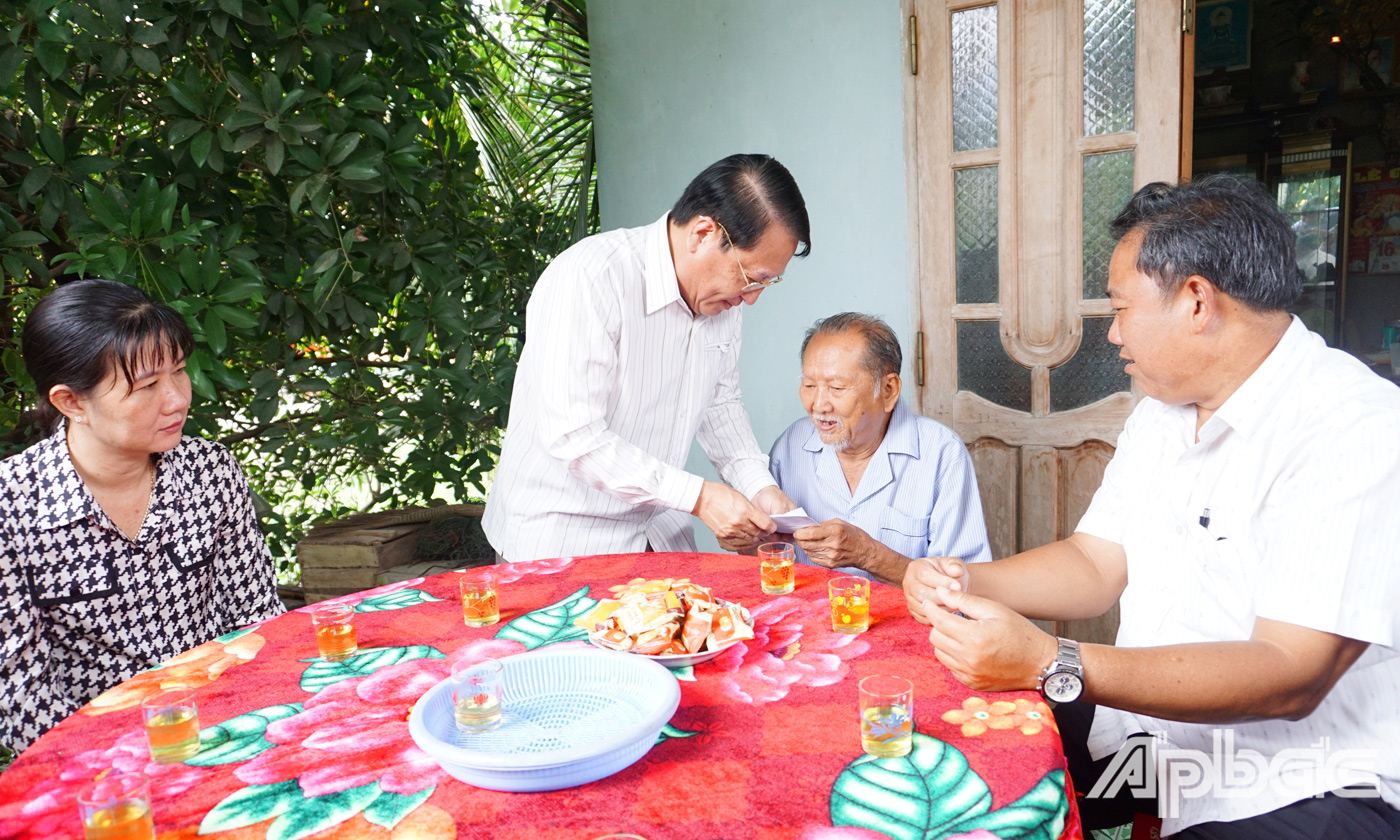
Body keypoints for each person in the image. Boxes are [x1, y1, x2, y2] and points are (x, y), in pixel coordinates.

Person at [904, 175, 1400, 839]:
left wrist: (1054, 662)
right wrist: (960, 578)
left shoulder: (1353, 426)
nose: (1112, 335)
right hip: (1157, 740)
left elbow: (1291, 673)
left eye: (1121, 308)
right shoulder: (1163, 414)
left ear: (1197, 300)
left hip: (1306, 778)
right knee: (950, 759)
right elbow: (1095, 563)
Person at [0, 279, 284, 754]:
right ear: (71, 402)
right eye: (147, 385)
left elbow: (259, 620)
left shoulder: (209, 470)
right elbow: (20, 693)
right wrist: (109, 765)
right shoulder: (11, 506)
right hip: (95, 756)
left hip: (234, 723)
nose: (176, 399)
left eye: (179, 372)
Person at [484, 154, 809, 562]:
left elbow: (721, 407)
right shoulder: (590, 278)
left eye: (767, 282)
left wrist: (763, 491)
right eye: (749, 278)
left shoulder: (723, 304)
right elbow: (575, 436)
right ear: (703, 233)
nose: (752, 298)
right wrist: (700, 496)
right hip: (561, 542)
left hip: (659, 536)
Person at [767, 313, 991, 585]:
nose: (819, 405)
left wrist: (870, 555)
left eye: (837, 387)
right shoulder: (790, 446)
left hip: (907, 623)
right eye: (809, 386)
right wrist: (749, 542)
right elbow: (771, 562)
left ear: (888, 390)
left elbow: (964, 589)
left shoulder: (941, 453)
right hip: (806, 623)